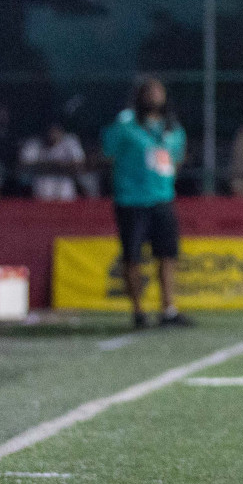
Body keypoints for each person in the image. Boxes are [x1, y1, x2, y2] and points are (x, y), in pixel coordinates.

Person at [102, 78, 189, 328]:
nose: (155, 96)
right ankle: (138, 311)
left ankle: (168, 309)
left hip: (162, 198)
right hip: (131, 200)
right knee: (132, 256)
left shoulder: (171, 128)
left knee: (167, 254)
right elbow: (108, 151)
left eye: (159, 91)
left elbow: (178, 158)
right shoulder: (126, 124)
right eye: (150, 91)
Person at [19, 122, 87, 201]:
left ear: (61, 132)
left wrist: (62, 165)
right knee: (44, 188)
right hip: (42, 179)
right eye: (50, 132)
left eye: (55, 131)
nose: (52, 135)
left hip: (64, 178)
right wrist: (52, 165)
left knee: (66, 190)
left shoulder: (70, 141)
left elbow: (80, 163)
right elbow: (24, 164)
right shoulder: (34, 143)